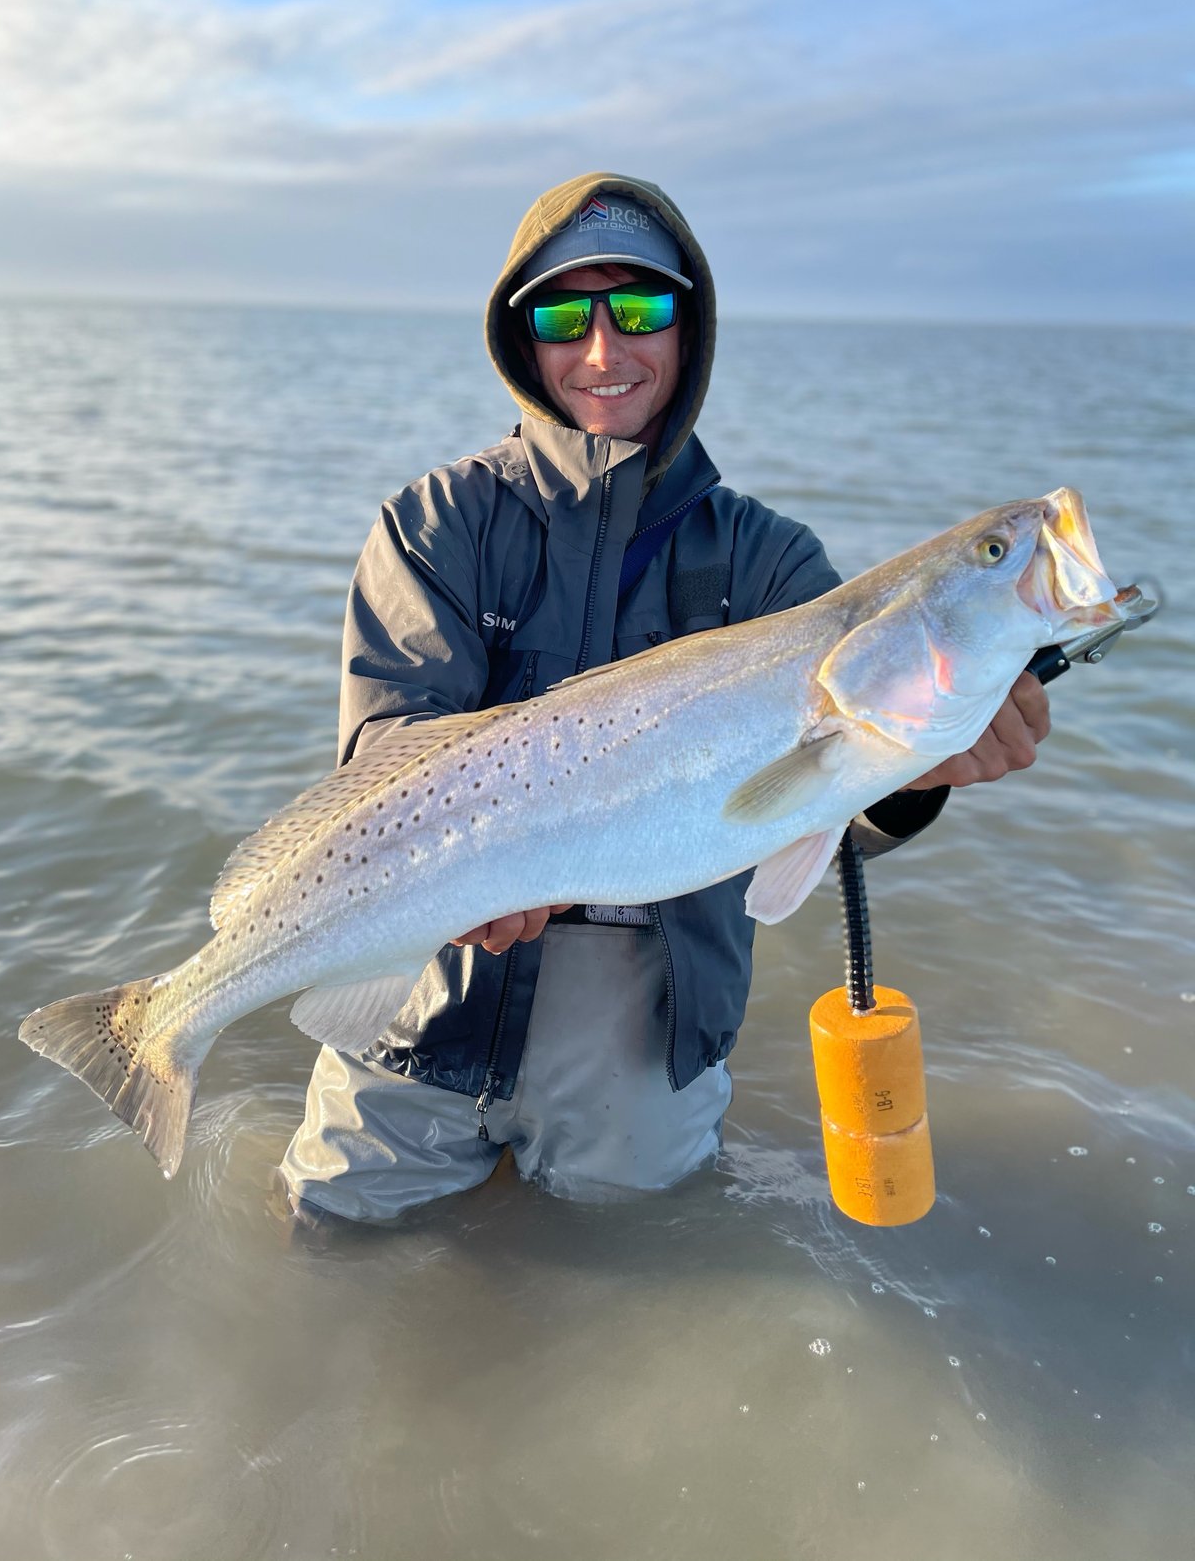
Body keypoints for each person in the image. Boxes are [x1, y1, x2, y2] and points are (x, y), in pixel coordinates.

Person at [280, 172, 1050, 1222]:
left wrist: (917, 777)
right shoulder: (436, 522)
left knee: (634, 1278)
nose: (604, 351)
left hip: (647, 1023)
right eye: (564, 316)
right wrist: (468, 877)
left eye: (640, 308)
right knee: (327, 1250)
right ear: (522, 342)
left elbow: (824, 818)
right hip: (422, 992)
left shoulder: (772, 563)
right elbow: (388, 749)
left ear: (690, 329)